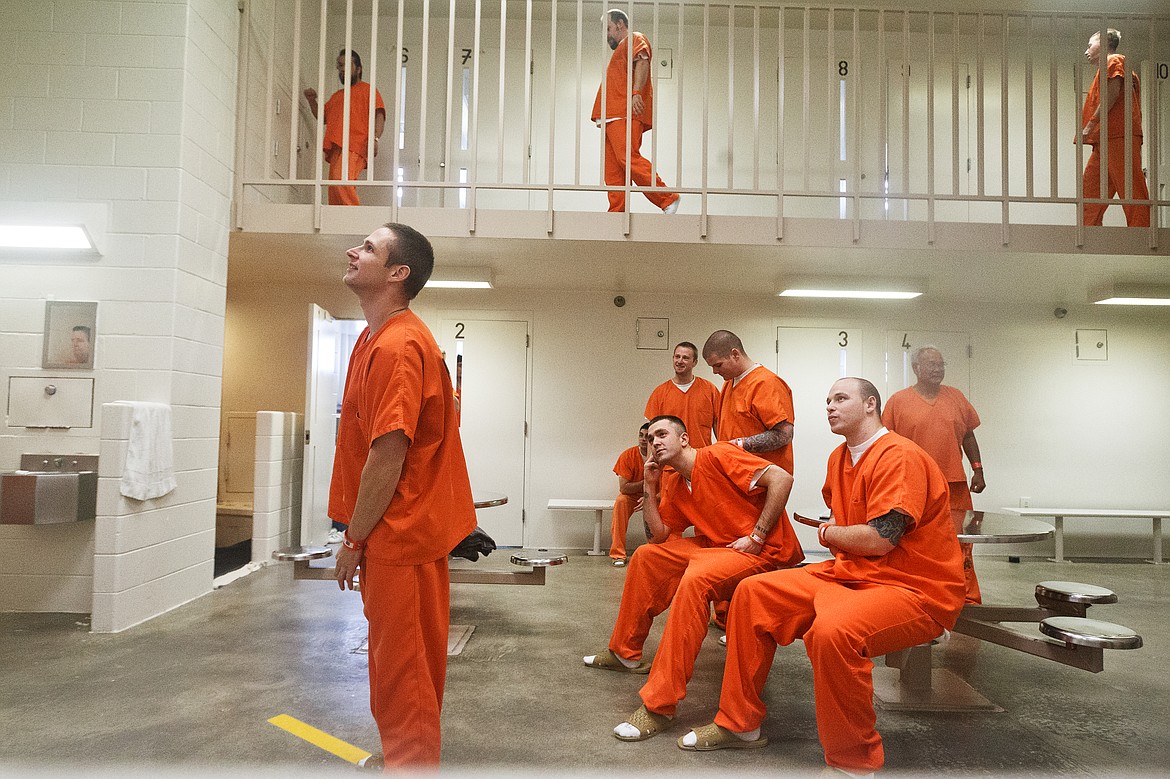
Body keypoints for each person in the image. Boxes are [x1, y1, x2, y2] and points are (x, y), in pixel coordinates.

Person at [679, 378, 965, 777]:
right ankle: (738, 723)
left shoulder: (899, 456)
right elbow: (845, 523)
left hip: (913, 587)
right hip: (849, 573)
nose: (829, 406)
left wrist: (828, 533)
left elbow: (880, 539)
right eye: (827, 400)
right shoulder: (838, 458)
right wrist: (835, 530)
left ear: (870, 405)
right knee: (752, 592)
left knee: (834, 632)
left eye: (840, 398)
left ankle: (854, 761)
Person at [327, 222, 476, 768]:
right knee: (395, 664)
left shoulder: (399, 344)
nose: (352, 249)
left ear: (398, 272)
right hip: (391, 534)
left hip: (401, 533)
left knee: (405, 670)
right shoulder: (373, 338)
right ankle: (403, 758)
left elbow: (387, 455)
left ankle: (410, 765)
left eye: (367, 247)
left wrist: (354, 538)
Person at [584, 415, 803, 744]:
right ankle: (624, 653)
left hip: (759, 550)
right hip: (717, 547)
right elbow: (658, 536)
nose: (654, 442)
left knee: (696, 579)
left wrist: (757, 536)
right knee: (646, 557)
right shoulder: (672, 481)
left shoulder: (719, 455)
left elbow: (782, 480)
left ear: (684, 439)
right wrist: (649, 486)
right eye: (650, 437)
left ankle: (660, 704)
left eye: (662, 434)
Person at [701, 330, 796, 628]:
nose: (716, 373)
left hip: (763, 487)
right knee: (733, 556)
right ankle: (730, 619)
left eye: (718, 365)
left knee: (759, 555)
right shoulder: (730, 385)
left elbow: (783, 435)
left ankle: (755, 624)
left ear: (735, 354)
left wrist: (739, 446)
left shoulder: (766, 383)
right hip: (738, 486)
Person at [882, 345, 985, 603]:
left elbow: (968, 435)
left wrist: (978, 469)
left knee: (959, 541)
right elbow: (884, 444)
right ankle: (917, 595)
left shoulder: (956, 397)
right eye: (931, 365)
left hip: (954, 484)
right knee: (914, 541)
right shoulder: (898, 401)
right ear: (916, 368)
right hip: (912, 484)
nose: (937, 370)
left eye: (941, 365)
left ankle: (965, 596)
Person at [591, 9, 680, 214]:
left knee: (628, 158)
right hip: (611, 115)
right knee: (613, 170)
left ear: (620, 24)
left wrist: (636, 93)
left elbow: (642, 60)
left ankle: (667, 197)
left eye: (609, 29)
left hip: (623, 111)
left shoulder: (634, 38)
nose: (607, 35)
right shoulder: (622, 49)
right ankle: (617, 211)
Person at [1079, 28, 1150, 227]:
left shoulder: (1114, 60)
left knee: (1131, 189)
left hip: (1119, 135)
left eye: (1090, 45)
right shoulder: (1110, 66)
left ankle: (1142, 236)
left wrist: (1090, 124)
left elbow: (1112, 93)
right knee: (1091, 189)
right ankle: (1088, 232)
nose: (1086, 51)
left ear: (1104, 43)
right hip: (1106, 138)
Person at [304, 49, 386, 206]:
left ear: (358, 68)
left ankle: (353, 219)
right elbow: (322, 117)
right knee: (335, 188)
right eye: (339, 66)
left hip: (356, 144)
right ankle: (339, 223)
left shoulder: (368, 90)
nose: (341, 69)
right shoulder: (337, 96)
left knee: (341, 180)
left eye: (345, 65)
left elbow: (379, 116)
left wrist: (375, 138)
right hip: (336, 148)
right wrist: (311, 100)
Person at [644, 342, 721, 449]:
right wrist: (650, 462)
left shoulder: (709, 390)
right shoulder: (659, 393)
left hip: (701, 459)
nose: (680, 361)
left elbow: (719, 428)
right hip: (669, 462)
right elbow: (652, 433)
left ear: (694, 362)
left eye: (685, 358)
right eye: (677, 357)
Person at [609, 422, 651, 566]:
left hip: (656, 496)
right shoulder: (628, 455)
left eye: (647, 436)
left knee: (670, 504)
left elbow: (668, 488)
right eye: (641, 435)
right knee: (621, 502)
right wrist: (646, 481)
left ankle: (662, 551)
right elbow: (624, 488)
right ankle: (618, 554)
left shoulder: (663, 455)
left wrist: (651, 497)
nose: (643, 439)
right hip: (633, 496)